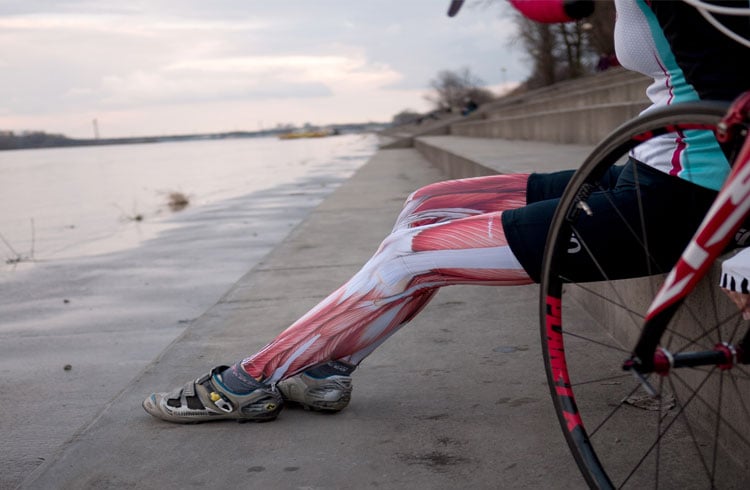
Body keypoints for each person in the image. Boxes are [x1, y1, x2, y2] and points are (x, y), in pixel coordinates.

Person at [143, 0, 750, 423]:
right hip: (646, 169)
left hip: (683, 201)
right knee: (428, 203)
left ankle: (246, 382)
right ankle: (328, 367)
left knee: (412, 257)